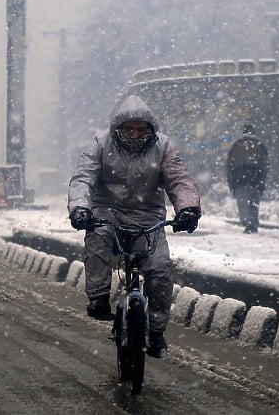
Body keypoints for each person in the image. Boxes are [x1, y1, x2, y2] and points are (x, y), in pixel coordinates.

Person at [67, 95, 202, 359]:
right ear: (117, 127)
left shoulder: (163, 147)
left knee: (161, 270)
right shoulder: (100, 143)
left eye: (141, 129)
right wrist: (81, 209)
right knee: (98, 239)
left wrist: (187, 209)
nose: (135, 134)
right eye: (129, 128)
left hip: (148, 216)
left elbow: (178, 180)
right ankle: (98, 297)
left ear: (151, 129)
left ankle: (157, 330)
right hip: (107, 211)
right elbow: (83, 178)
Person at [226, 123, 269, 233]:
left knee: (242, 201)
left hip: (240, 178)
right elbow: (265, 164)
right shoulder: (260, 146)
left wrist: (231, 180)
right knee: (254, 202)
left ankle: (246, 221)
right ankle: (253, 223)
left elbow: (230, 164)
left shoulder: (237, 145)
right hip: (256, 178)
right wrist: (261, 178)